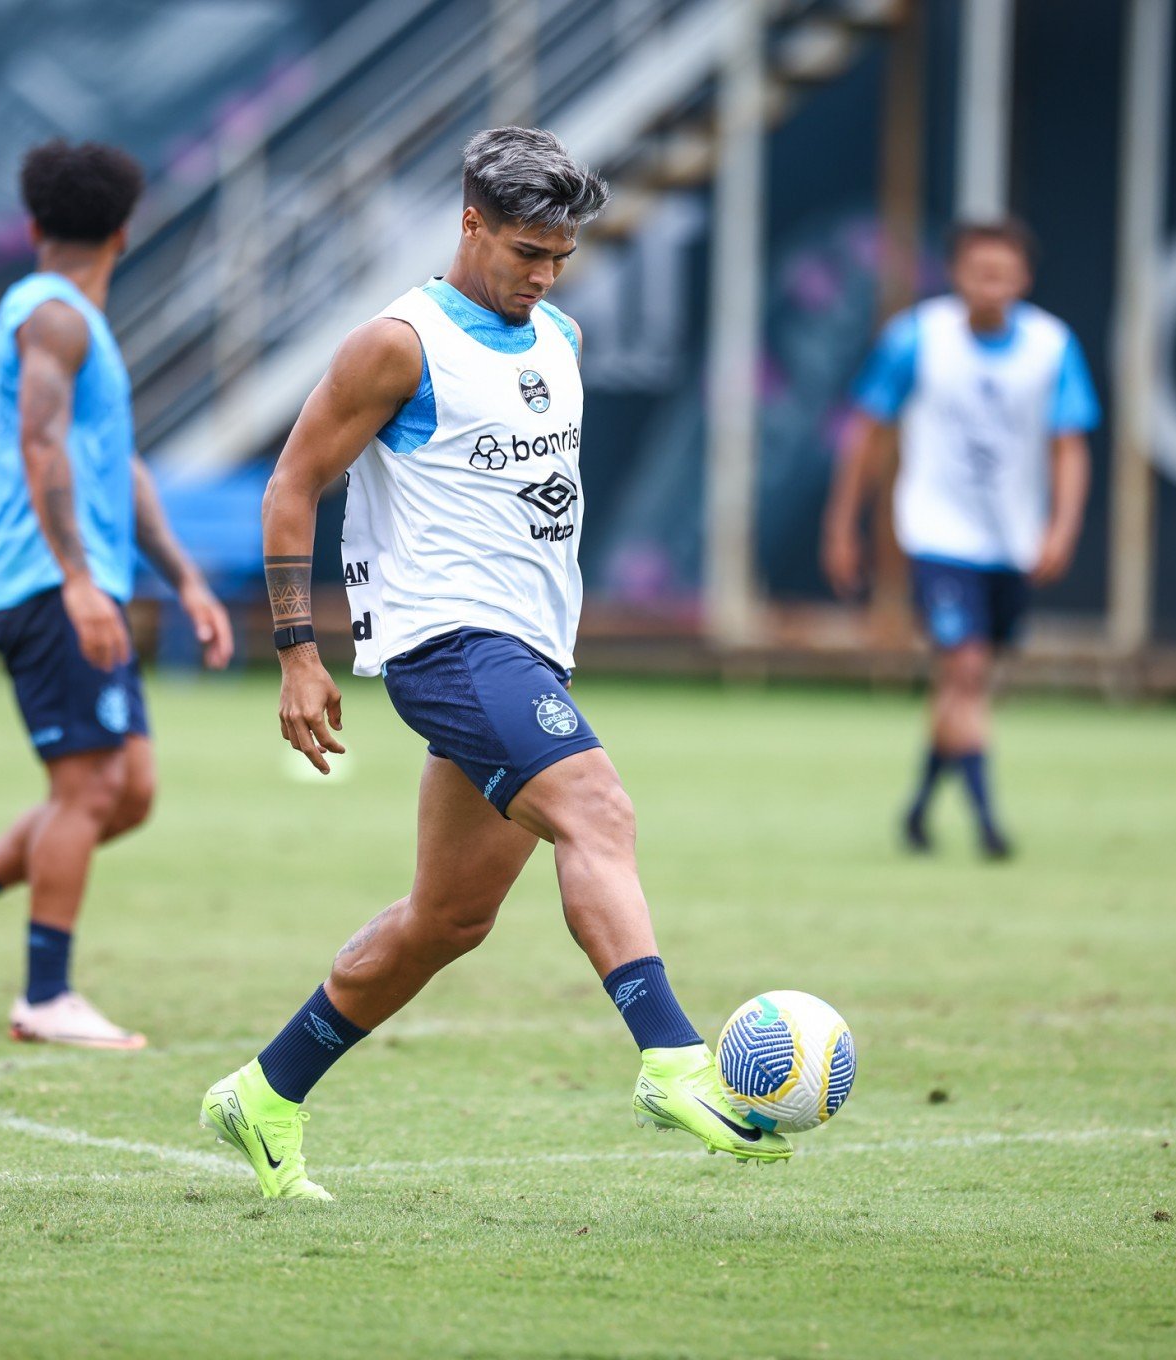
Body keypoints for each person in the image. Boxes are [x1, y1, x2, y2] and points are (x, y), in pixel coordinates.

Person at [196, 127, 786, 1202]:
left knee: (449, 919)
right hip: (444, 645)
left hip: (527, 656)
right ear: (470, 222)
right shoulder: (397, 344)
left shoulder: (556, 333)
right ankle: (671, 1057)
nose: (546, 274)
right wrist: (296, 653)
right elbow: (291, 486)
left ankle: (265, 1092)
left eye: (560, 254)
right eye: (526, 251)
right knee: (597, 811)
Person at [0, 140, 232, 1047]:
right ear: (127, 230)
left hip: (74, 580)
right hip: (43, 580)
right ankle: (45, 994)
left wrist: (184, 576)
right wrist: (79, 580)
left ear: (32, 227)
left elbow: (118, 468)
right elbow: (40, 444)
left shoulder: (72, 319)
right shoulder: (56, 318)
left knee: (130, 791)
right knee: (89, 787)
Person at [821, 218, 1098, 860]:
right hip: (938, 532)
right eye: (980, 272)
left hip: (1012, 538)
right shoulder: (918, 338)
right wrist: (843, 525)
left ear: (1024, 279)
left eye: (1004, 273)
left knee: (965, 685)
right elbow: (866, 431)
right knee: (966, 669)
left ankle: (918, 810)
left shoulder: (1052, 347)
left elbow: (1070, 445)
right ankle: (987, 822)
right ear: (957, 276)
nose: (991, 285)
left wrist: (1061, 527)